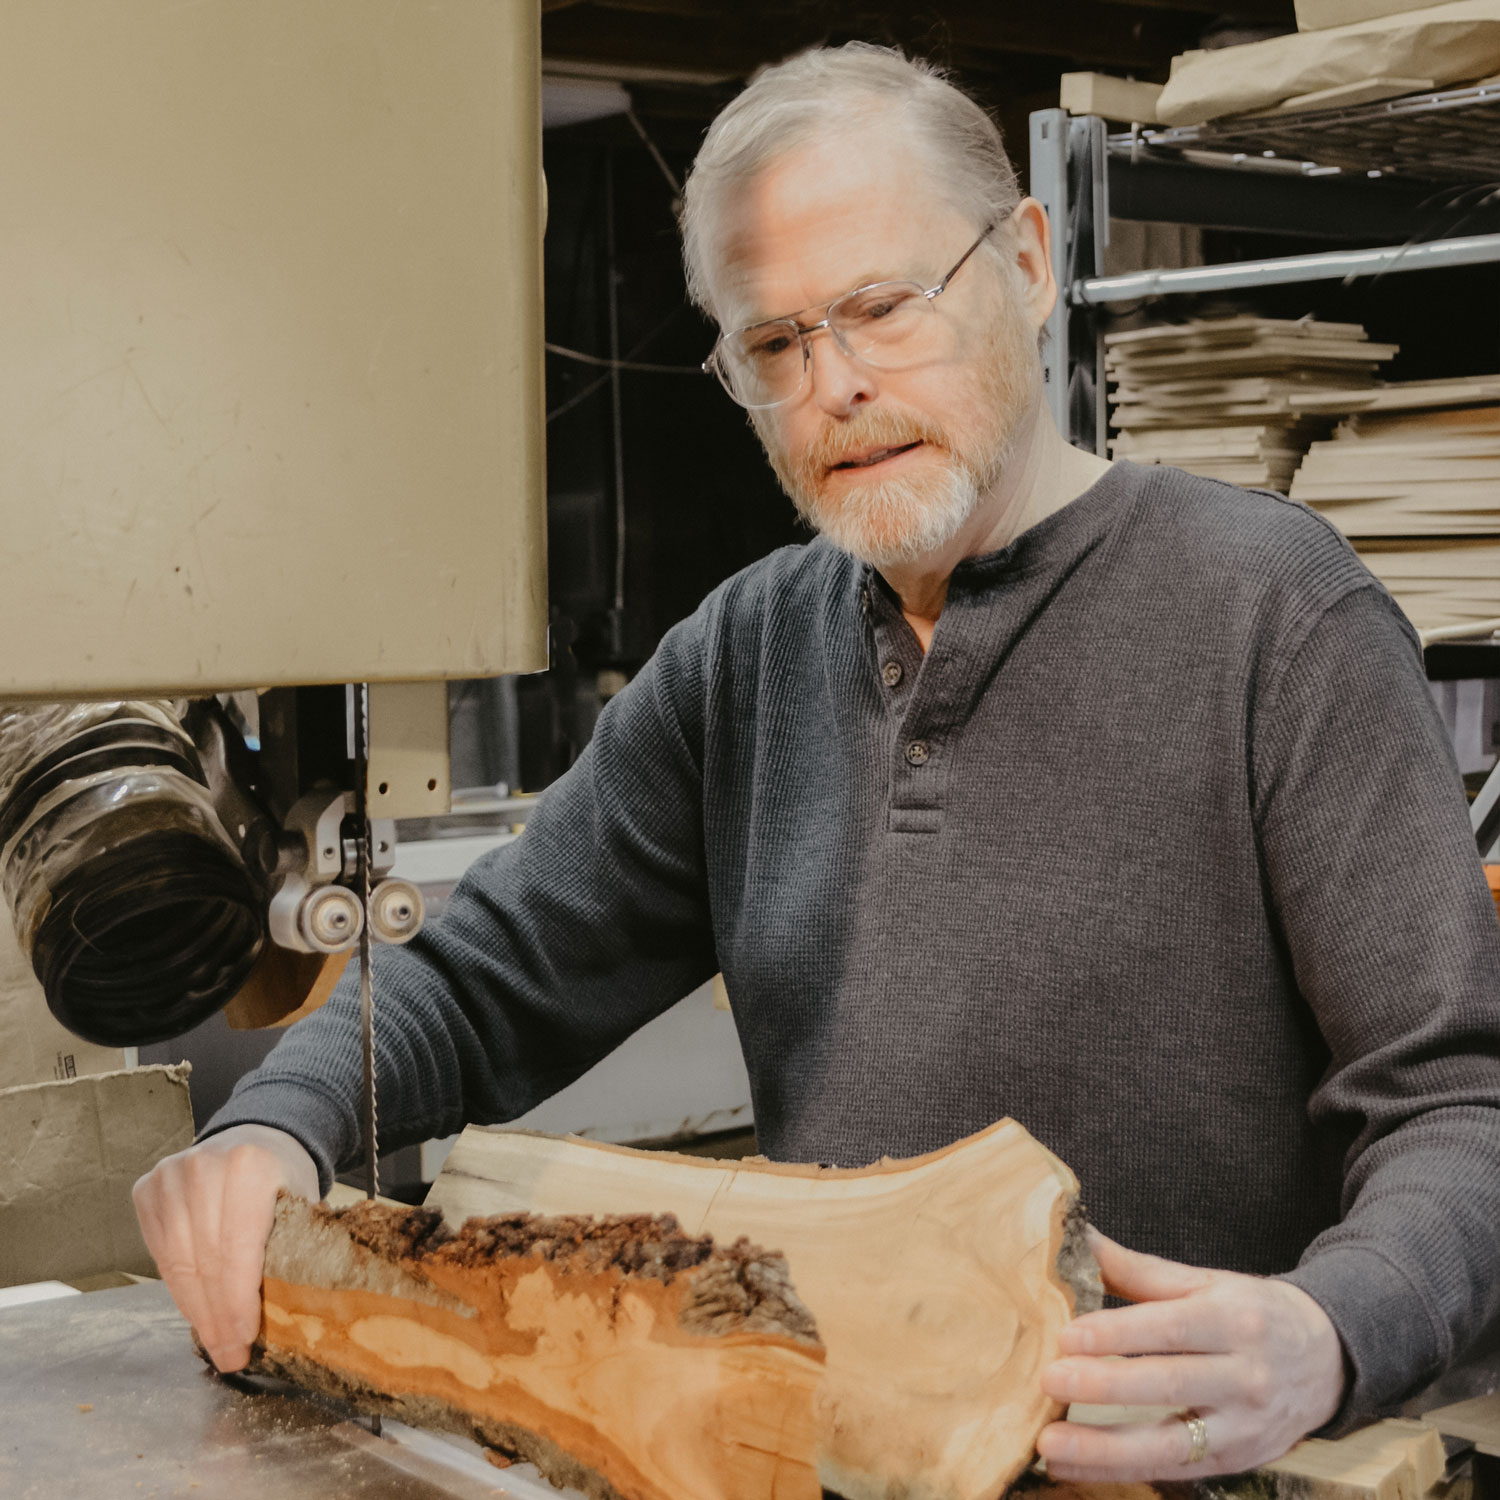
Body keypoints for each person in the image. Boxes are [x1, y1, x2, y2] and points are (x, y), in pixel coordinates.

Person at [133, 42, 1500, 1482]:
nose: (833, 385)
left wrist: (1327, 1331)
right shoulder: (745, 657)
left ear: (1029, 264)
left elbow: (1462, 1105)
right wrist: (274, 1133)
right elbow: (483, 979)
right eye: (773, 345)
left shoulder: (1277, 616)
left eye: (878, 308)